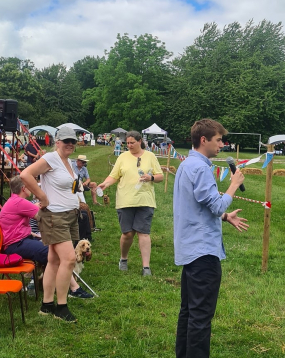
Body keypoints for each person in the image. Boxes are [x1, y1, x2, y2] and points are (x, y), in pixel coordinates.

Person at [173, 118, 249, 358]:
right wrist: (233, 185)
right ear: (203, 140)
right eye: (218, 140)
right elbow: (214, 202)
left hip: (190, 248)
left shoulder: (187, 165)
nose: (222, 144)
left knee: (189, 311)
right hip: (202, 251)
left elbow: (200, 203)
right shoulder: (201, 168)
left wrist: (225, 216)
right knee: (201, 317)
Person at [20, 126, 82, 322]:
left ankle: (47, 305)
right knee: (69, 259)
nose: (70, 144)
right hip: (55, 217)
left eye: (73, 141)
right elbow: (25, 175)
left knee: (54, 260)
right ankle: (61, 307)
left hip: (69, 215)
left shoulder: (68, 161)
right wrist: (42, 198)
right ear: (57, 142)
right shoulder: (51, 158)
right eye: (66, 141)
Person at [0, 176, 93, 298]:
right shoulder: (19, 202)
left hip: (19, 241)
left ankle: (59, 285)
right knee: (52, 252)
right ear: (23, 188)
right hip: (15, 245)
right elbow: (45, 217)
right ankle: (73, 288)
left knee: (54, 250)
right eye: (29, 186)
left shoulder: (14, 201)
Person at [98, 130, 164, 276]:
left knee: (143, 233)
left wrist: (151, 177)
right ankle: (123, 259)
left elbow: (160, 176)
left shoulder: (150, 156)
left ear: (140, 141)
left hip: (145, 200)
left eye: (132, 143)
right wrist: (106, 184)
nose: (129, 145)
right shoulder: (122, 157)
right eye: (127, 143)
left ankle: (146, 267)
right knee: (127, 233)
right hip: (125, 200)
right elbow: (113, 176)